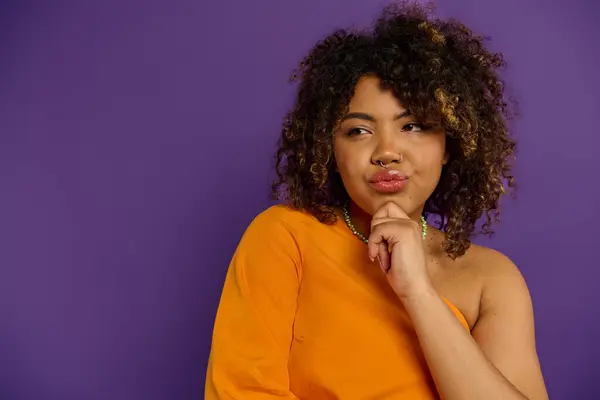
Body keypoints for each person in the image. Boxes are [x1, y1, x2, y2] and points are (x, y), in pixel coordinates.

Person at [205, 1, 548, 399]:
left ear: (449, 145)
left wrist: (417, 292)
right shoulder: (284, 238)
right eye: (358, 131)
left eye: (413, 126)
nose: (387, 151)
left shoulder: (492, 278)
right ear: (329, 149)